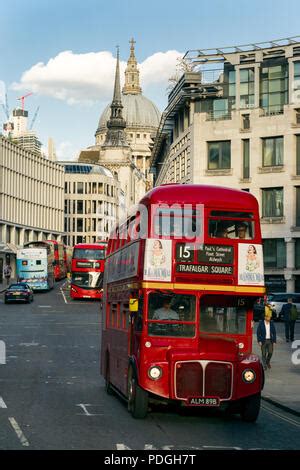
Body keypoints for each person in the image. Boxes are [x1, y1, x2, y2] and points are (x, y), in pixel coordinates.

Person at [257, 305, 277, 370]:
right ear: (265, 317)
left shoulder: (271, 323)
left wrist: (274, 341)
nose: (269, 318)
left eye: (270, 317)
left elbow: (274, 332)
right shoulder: (261, 323)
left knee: (270, 353)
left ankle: (267, 361)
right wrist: (259, 341)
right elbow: (258, 333)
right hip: (263, 340)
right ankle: (264, 365)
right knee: (263, 354)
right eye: (268, 317)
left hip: (270, 341)